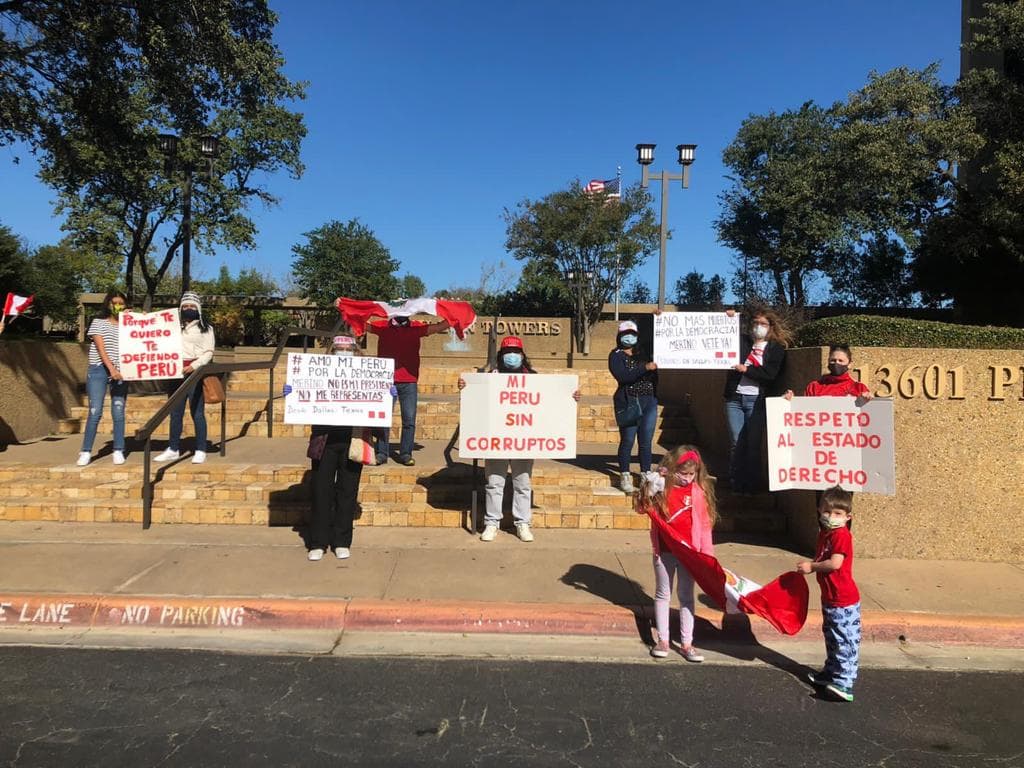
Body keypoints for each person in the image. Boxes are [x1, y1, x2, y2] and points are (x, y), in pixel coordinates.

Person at [458, 335, 580, 543]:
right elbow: (477, 402)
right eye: (507, 353)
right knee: (494, 483)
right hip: (495, 439)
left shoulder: (533, 378)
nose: (511, 356)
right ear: (501, 356)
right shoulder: (490, 377)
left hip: (523, 441)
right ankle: (491, 523)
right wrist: (466, 388)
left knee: (522, 483)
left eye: (515, 352)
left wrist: (570, 397)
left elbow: (547, 404)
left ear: (522, 355)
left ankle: (523, 523)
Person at [636, 445, 717, 662]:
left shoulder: (698, 492)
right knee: (663, 593)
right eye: (682, 473)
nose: (687, 479)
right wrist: (649, 484)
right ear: (672, 469)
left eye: (692, 474)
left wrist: (707, 554)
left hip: (689, 552)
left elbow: (705, 525)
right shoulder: (663, 487)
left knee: (685, 595)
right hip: (664, 549)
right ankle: (663, 639)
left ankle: (687, 642)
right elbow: (641, 507)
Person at [305, 335, 367, 561]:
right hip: (324, 439)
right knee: (321, 491)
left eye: (348, 348)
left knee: (347, 492)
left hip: (352, 439)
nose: (343, 352)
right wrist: (293, 392)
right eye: (339, 349)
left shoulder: (366, 374)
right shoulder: (317, 374)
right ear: (331, 352)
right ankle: (318, 542)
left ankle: (342, 541)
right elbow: (305, 398)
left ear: (355, 351)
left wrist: (387, 396)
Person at [797, 485, 860, 702]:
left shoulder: (841, 535)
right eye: (827, 511)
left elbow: (835, 563)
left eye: (837, 513)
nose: (831, 517)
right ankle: (831, 672)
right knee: (832, 638)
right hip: (830, 598)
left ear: (847, 516)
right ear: (819, 511)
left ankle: (845, 682)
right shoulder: (826, 534)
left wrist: (812, 566)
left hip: (844, 599)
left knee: (845, 640)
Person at [723, 307, 790, 493]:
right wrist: (729, 319)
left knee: (753, 444)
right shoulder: (742, 343)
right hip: (734, 399)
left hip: (757, 400)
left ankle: (752, 484)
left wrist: (747, 370)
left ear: (770, 327)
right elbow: (724, 335)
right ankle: (736, 481)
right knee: (737, 443)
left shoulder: (776, 349)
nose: (758, 327)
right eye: (756, 323)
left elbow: (770, 375)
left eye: (763, 324)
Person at [368, 314, 449, 466]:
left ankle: (405, 454)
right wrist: (346, 308)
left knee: (409, 420)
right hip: (386, 381)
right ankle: (381, 453)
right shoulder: (382, 326)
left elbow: (439, 327)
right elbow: (361, 324)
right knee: (382, 419)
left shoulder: (416, 327)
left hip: (409, 381)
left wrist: (454, 315)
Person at [155, 292, 215, 464]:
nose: (189, 309)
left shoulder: (206, 328)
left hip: (195, 372)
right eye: (185, 306)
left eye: (192, 306)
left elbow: (208, 352)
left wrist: (194, 366)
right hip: (175, 372)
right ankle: (173, 448)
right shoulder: (172, 327)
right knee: (175, 412)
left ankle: (201, 448)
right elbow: (152, 332)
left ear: (198, 308)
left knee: (197, 412)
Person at [77, 290, 129, 467]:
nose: (118, 306)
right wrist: (111, 369)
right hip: (99, 370)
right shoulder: (98, 323)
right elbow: (100, 348)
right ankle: (85, 451)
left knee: (118, 410)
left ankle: (118, 449)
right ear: (108, 304)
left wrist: (139, 318)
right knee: (95, 411)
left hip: (122, 372)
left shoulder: (128, 325)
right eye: (115, 302)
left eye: (121, 303)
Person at [608, 320, 658, 494]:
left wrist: (658, 318)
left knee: (645, 441)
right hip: (629, 401)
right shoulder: (616, 355)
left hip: (649, 400)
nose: (629, 337)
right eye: (625, 334)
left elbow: (660, 339)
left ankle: (646, 474)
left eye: (632, 334)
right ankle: (625, 474)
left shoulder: (644, 352)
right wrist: (645, 368)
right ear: (619, 336)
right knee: (628, 439)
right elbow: (623, 376)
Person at [785, 344, 873, 400]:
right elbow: (804, 412)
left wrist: (868, 400)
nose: (836, 363)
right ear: (828, 361)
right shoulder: (814, 387)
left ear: (849, 364)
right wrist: (789, 402)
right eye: (833, 360)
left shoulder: (859, 388)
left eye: (840, 360)